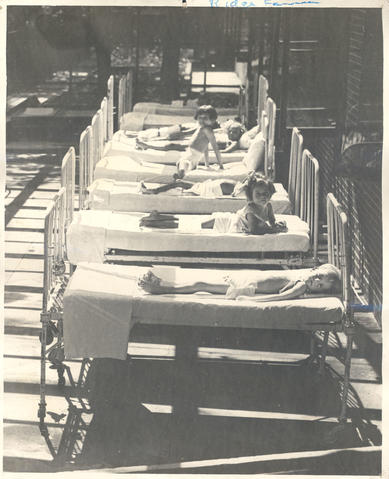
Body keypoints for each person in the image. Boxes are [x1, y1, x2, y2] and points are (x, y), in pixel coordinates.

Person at [137, 263, 342, 301]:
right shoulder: (302, 275)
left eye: (321, 286)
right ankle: (162, 283)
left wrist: (250, 300)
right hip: (245, 278)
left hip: (245, 286)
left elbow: (278, 298)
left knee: (200, 284)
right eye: (319, 276)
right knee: (202, 281)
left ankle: (160, 289)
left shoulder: (302, 285)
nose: (317, 281)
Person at [201, 173, 287, 234]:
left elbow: (272, 221)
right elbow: (254, 230)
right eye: (258, 194)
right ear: (251, 196)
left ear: (270, 193)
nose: (262, 197)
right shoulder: (251, 210)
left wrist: (276, 225)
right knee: (205, 225)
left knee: (220, 219)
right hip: (235, 223)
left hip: (239, 219)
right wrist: (272, 230)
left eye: (265, 193)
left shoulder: (268, 206)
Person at [139, 178, 237, 197]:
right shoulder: (240, 184)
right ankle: (153, 190)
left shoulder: (240, 189)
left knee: (179, 184)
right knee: (179, 182)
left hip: (207, 190)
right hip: (206, 186)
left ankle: (153, 191)